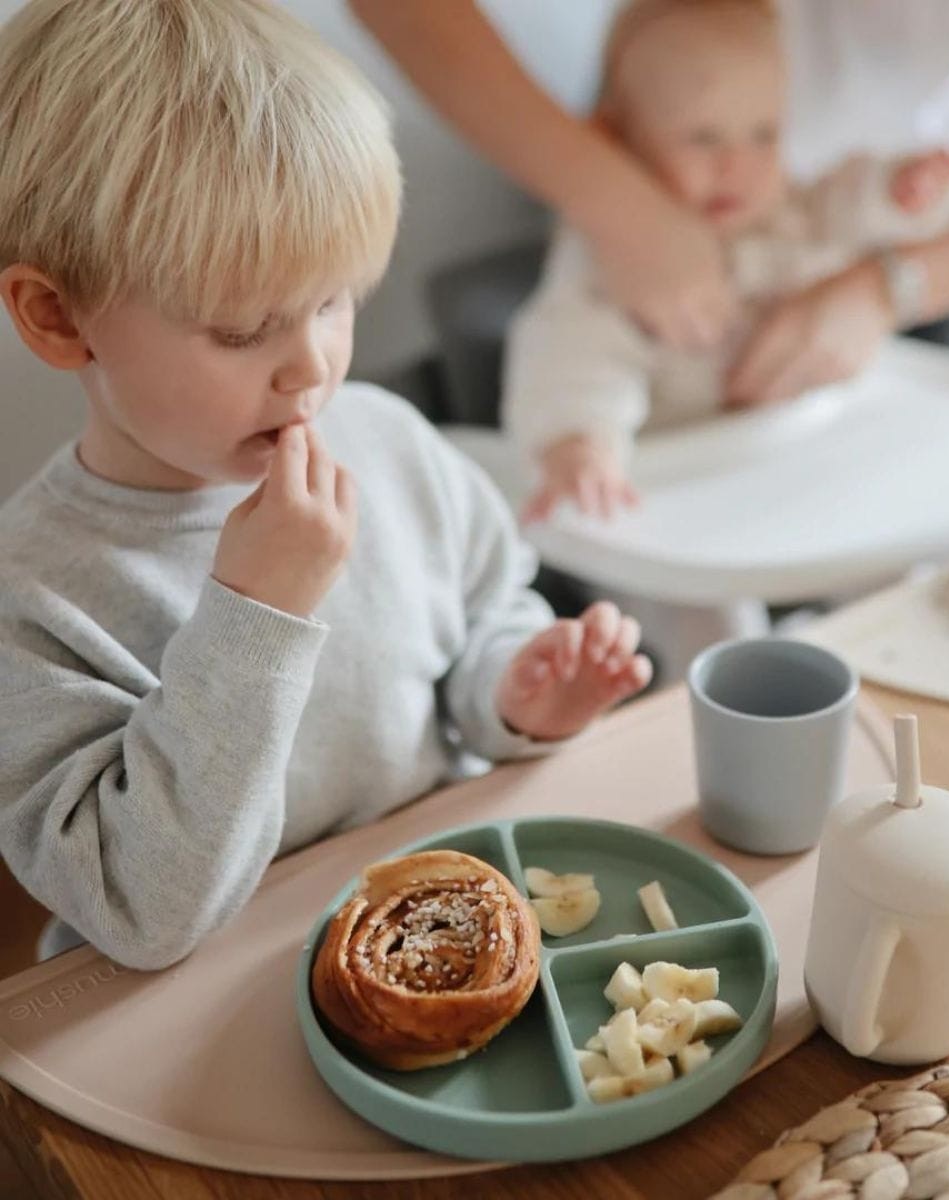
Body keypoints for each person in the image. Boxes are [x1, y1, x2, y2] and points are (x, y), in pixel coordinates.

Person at [0, 0, 651, 971]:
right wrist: (257, 612)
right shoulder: (33, 597)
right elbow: (142, 910)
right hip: (194, 1001)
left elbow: (482, 621)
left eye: (334, 301)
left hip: (430, 935)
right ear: (58, 317)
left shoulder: (389, 443)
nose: (312, 367)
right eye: (243, 330)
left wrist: (519, 695)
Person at [349, 0, 949, 396]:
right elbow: (571, 368)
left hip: (892, 201)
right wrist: (614, 200)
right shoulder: (606, 251)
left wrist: (887, 282)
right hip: (655, 181)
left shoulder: (871, 186)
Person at [502, 0, 949, 520]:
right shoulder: (614, 259)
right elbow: (572, 351)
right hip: (684, 483)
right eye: (703, 138)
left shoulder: (797, 209)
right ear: (618, 140)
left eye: (763, 135)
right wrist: (580, 440)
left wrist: (903, 193)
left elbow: (855, 205)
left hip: (806, 459)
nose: (736, 164)